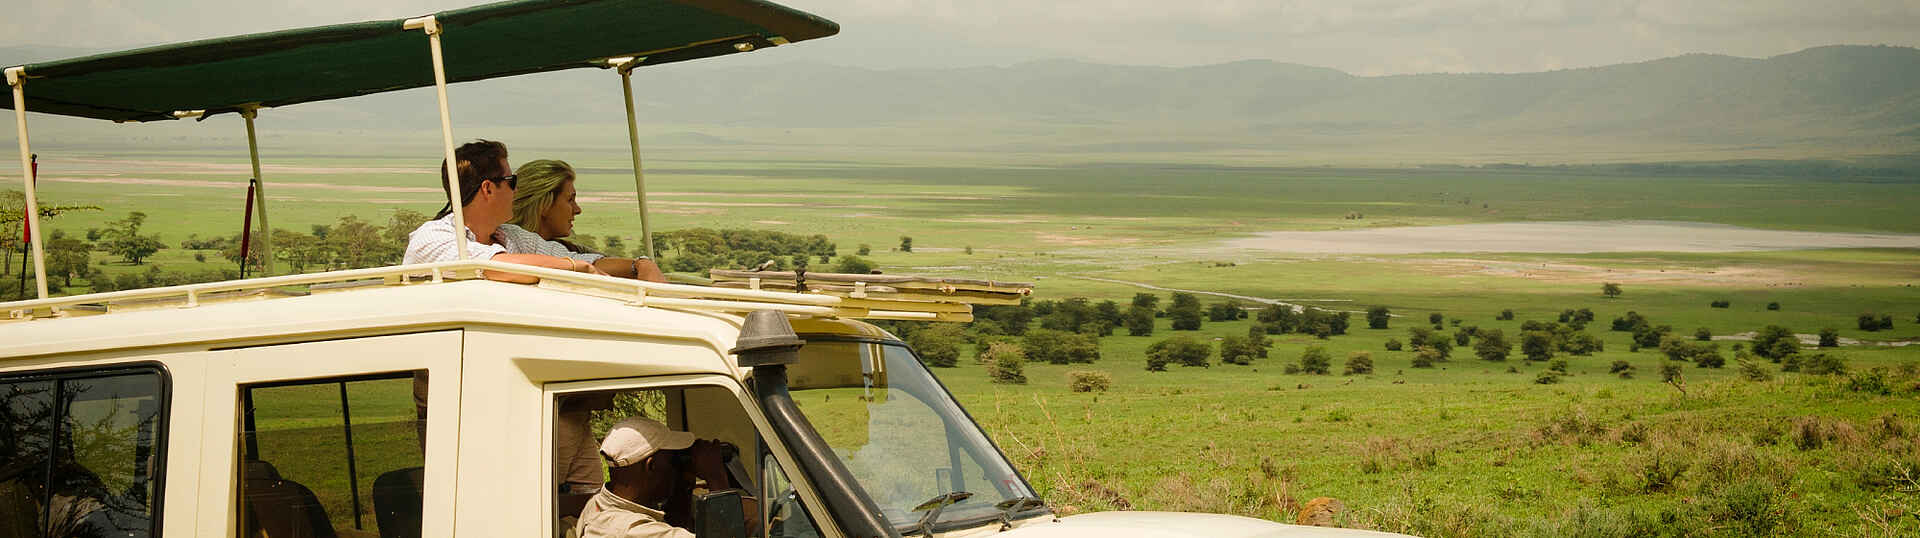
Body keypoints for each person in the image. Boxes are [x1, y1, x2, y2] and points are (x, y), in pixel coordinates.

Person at [403, 140, 608, 283]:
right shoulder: (432, 237)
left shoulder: (511, 236)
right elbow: (495, 266)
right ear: (488, 189)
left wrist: (637, 266)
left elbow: (583, 261)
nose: (517, 190)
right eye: (512, 181)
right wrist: (573, 267)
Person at [575, 417, 755, 538]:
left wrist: (683, 479)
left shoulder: (598, 504)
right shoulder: (629, 531)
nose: (674, 468)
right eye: (672, 460)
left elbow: (674, 524)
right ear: (651, 466)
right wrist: (716, 478)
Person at [509, 159, 666, 282]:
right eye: (570, 200)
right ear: (544, 205)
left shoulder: (567, 249)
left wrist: (641, 265)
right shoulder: (507, 245)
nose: (577, 210)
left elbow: (592, 261)